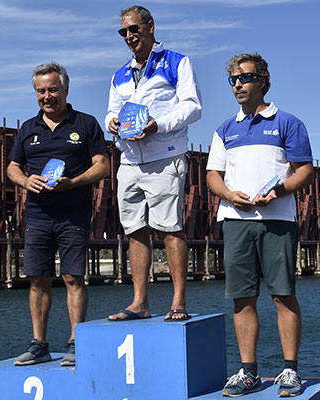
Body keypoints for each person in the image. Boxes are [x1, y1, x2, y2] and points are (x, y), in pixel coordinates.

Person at [206, 53, 314, 397]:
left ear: (263, 81)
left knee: (283, 295)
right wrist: (228, 195)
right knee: (242, 298)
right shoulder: (225, 129)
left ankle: (290, 371)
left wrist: (279, 191)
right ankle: (248, 372)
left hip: (278, 220)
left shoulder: (287, 123)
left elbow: (305, 170)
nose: (238, 84)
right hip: (236, 220)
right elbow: (212, 175)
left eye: (245, 78)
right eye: (233, 80)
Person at [7, 62, 110, 367]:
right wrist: (26, 180)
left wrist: (72, 183)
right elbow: (12, 167)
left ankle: (75, 342)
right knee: (37, 279)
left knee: (72, 277)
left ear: (66, 89)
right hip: (38, 215)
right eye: (41, 91)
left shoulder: (86, 123)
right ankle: (39, 344)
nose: (47, 96)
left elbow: (103, 165)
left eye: (53, 89)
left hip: (73, 214)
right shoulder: (28, 128)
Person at [105, 5, 202, 322]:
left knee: (171, 227)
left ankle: (178, 301)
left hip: (165, 157)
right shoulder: (119, 74)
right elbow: (111, 111)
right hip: (129, 160)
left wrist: (157, 125)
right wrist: (112, 123)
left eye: (134, 29)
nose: (129, 36)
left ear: (150, 27)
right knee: (134, 230)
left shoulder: (176, 61)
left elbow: (192, 107)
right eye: (124, 32)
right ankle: (139, 303)